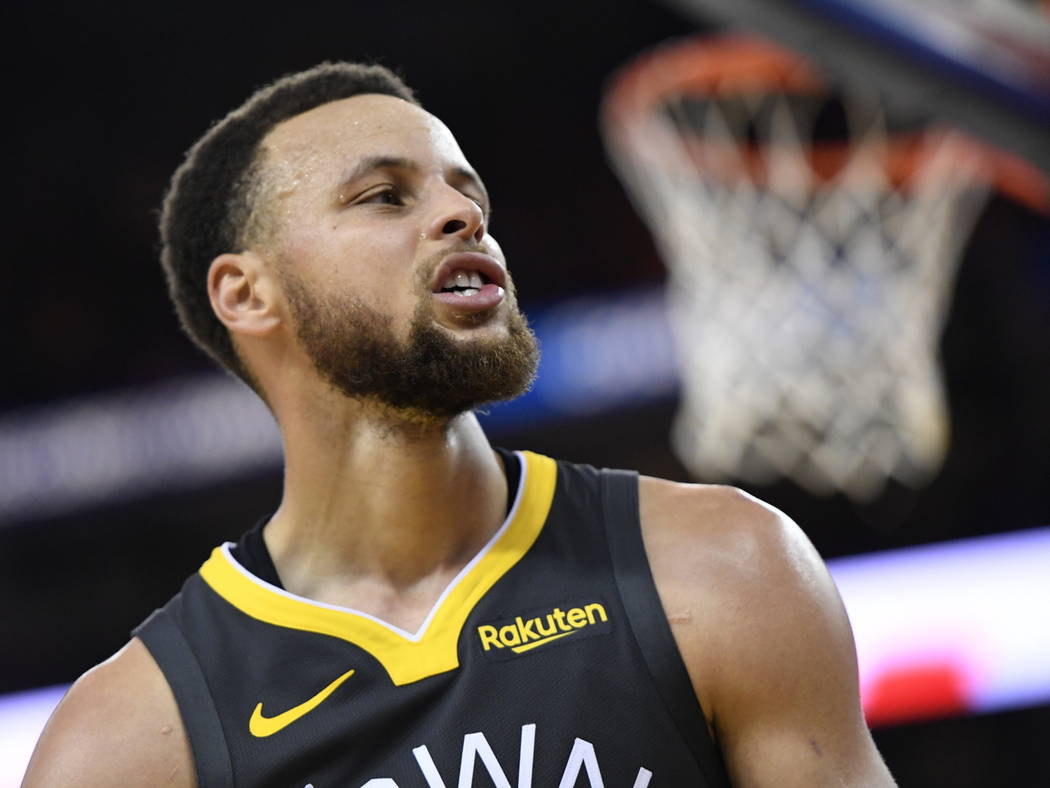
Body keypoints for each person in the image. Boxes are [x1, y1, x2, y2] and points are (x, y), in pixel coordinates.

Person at [23, 63, 895, 788]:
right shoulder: (129, 743)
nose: (461, 214)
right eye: (383, 197)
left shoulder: (722, 567)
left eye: (464, 191)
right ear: (248, 294)